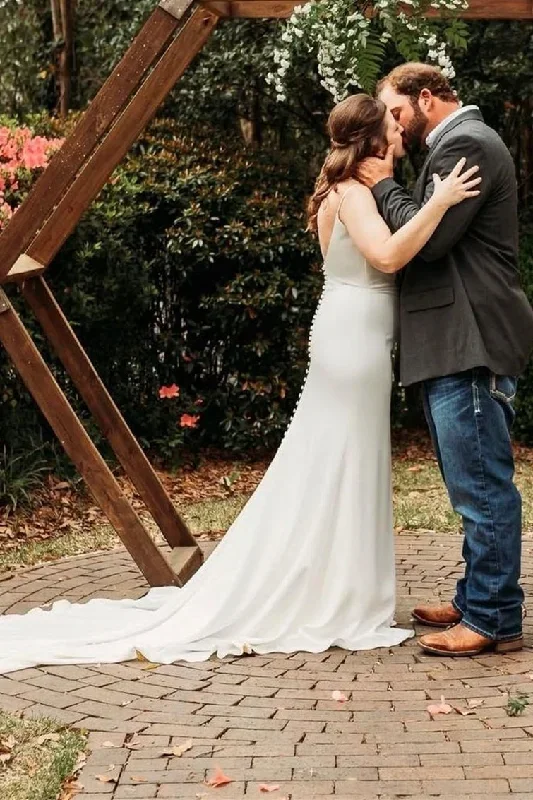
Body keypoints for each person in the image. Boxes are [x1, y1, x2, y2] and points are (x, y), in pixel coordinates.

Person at [0, 94, 480, 675]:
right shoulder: (353, 193)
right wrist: (440, 202)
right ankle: (341, 597)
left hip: (346, 327)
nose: (401, 131)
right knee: (346, 459)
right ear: (374, 139)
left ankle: (338, 585)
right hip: (354, 339)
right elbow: (386, 258)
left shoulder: (338, 191)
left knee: (336, 459)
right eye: (392, 124)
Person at [357, 63, 533, 657]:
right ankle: (476, 595)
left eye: (398, 112)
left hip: (472, 338)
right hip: (456, 339)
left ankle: (492, 618)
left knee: (482, 488)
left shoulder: (466, 144)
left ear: (426, 98)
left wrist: (382, 183)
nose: (395, 129)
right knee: (471, 484)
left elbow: (427, 239)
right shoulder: (458, 145)